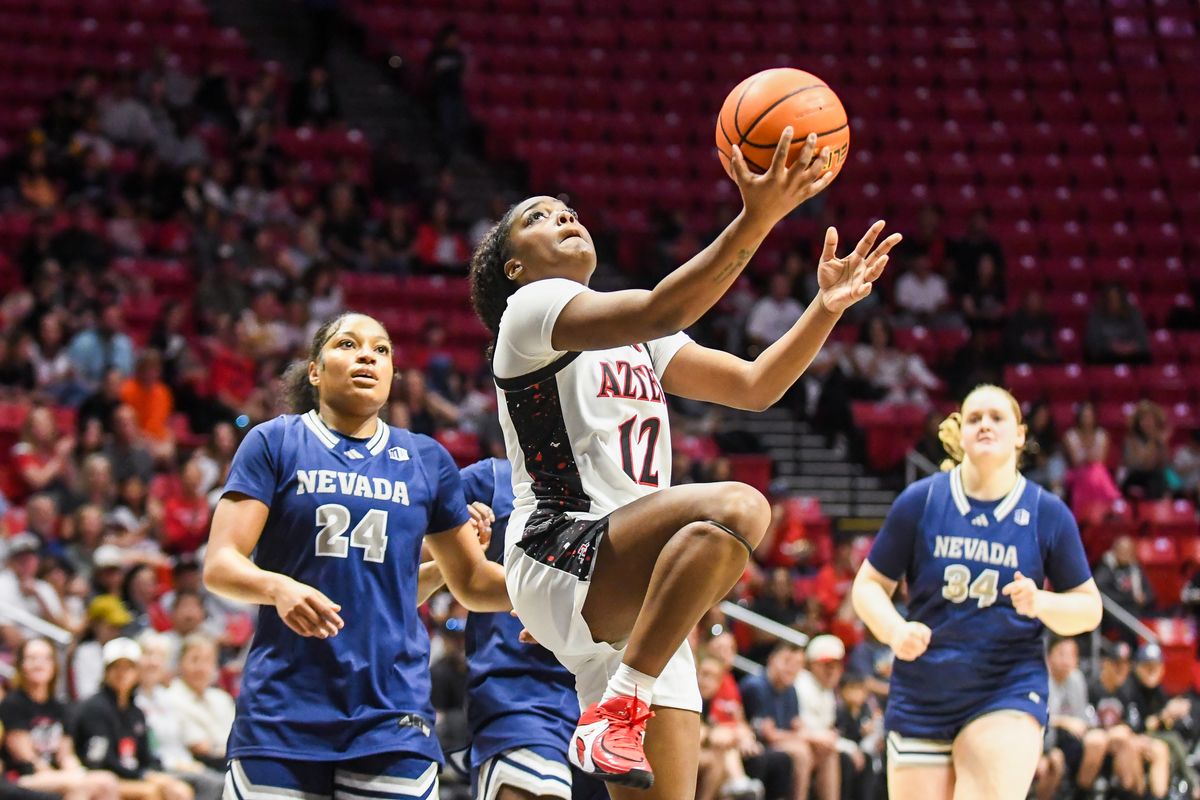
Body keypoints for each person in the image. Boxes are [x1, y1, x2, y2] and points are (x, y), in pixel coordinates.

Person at [468, 129, 898, 796]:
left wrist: (824, 309)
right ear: (514, 267)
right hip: (561, 547)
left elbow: (755, 386)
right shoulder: (528, 312)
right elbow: (666, 303)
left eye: (567, 209)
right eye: (539, 217)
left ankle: (621, 699)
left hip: (635, 592)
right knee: (740, 506)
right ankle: (622, 703)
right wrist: (759, 216)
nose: (564, 216)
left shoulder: (641, 339)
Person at [202, 312, 509, 798]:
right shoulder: (274, 442)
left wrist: (562, 598)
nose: (367, 355)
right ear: (315, 371)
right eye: (348, 344)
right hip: (282, 711)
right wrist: (276, 586)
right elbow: (220, 564)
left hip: (391, 716)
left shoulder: (428, 460)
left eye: (382, 349)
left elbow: (471, 582)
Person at [850, 384, 1101, 800]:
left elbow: (1088, 608)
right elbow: (869, 585)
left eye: (997, 417)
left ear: (1020, 434)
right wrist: (894, 630)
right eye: (975, 418)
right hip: (923, 688)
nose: (985, 425)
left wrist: (1041, 602)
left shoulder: (1047, 512)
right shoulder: (921, 500)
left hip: (1006, 686)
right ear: (960, 433)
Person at [422, 457, 608, 800]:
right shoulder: (492, 479)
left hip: (610, 695)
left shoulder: (625, 484)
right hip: (523, 691)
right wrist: (455, 543)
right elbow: (401, 551)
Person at [72, 637, 195, 800]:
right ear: (106, 671)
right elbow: (100, 761)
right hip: (103, 778)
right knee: (150, 793)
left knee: (180, 791)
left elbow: (146, 755)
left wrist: (156, 774)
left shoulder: (137, 712)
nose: (122, 673)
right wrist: (144, 775)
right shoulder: (95, 708)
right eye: (116, 667)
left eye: (128, 667)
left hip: (133, 775)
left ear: (137, 672)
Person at [0, 638, 120, 800]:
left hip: (55, 774)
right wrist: (70, 778)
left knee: (107, 781)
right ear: (21, 665)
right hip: (23, 776)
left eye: (45, 658)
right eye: (32, 658)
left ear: (54, 666)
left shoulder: (60, 707)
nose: (39, 664)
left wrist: (77, 772)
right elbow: (27, 759)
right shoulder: (13, 703)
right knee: (80, 786)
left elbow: (65, 755)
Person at [1043, 636, 1107, 800]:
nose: (1067, 660)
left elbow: (1082, 719)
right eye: (1062, 654)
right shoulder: (1040, 679)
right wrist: (1063, 721)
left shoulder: (1077, 678)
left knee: (1098, 740)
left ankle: (1080, 794)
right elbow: (1036, 718)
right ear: (1049, 656)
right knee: (1054, 762)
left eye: (1072, 655)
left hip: (1071, 740)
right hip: (1046, 740)